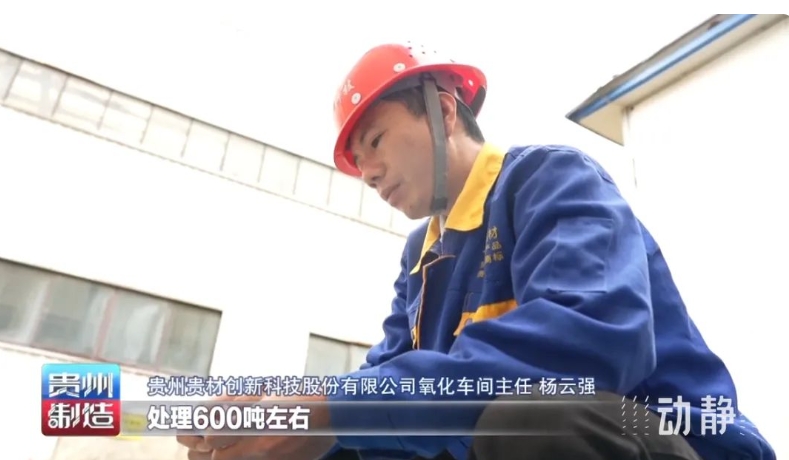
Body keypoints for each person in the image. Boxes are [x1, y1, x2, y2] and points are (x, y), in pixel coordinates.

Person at [177, 43, 776, 460]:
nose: (369, 171)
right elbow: (387, 395)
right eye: (358, 163)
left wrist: (332, 409)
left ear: (443, 109)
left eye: (376, 141)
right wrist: (279, 434)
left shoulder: (550, 181)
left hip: (676, 441)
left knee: (533, 418)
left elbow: (591, 344)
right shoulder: (422, 258)